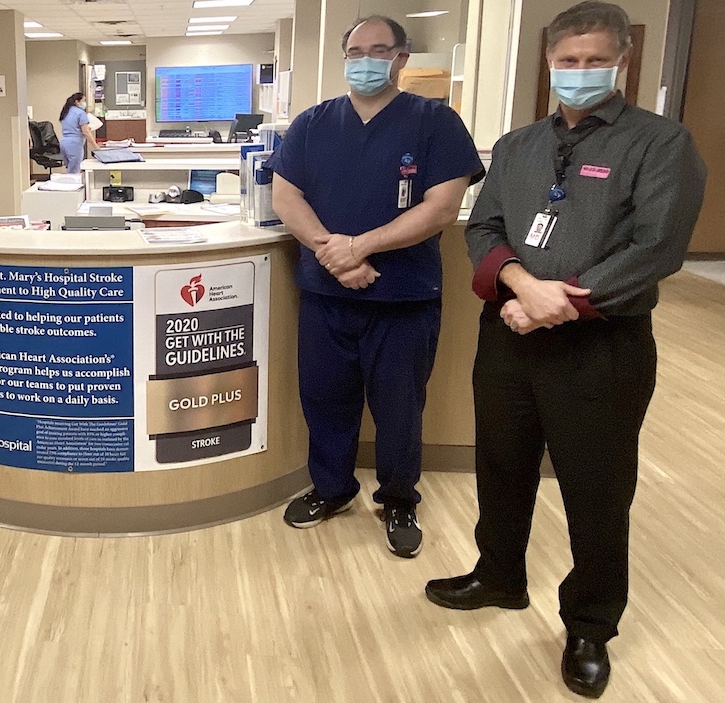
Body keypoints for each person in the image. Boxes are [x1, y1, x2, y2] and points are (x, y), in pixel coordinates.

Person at [424, 2, 706, 698]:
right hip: (509, 333)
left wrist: (563, 302)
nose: (579, 73)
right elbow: (483, 229)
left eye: (594, 61)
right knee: (501, 463)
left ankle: (589, 624)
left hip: (601, 345)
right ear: (549, 62)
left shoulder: (660, 144)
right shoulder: (518, 146)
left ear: (622, 62)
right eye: (567, 61)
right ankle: (499, 575)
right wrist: (523, 286)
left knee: (596, 487)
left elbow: (657, 247)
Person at [269, 16, 483, 558]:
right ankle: (332, 489)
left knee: (399, 409)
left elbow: (442, 208)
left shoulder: (436, 123)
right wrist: (333, 254)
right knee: (325, 400)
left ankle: (399, 499)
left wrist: (360, 247)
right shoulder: (313, 123)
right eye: (356, 51)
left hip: (402, 296)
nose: (366, 61)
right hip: (327, 294)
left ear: (401, 58)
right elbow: (286, 197)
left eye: (380, 50)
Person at [58, 92, 98, 174]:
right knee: (74, 171)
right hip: (74, 144)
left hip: (64, 143)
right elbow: (86, 132)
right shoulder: (80, 113)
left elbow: (72, 127)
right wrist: (95, 146)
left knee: (69, 169)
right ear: (77, 101)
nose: (85, 103)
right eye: (83, 101)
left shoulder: (66, 112)